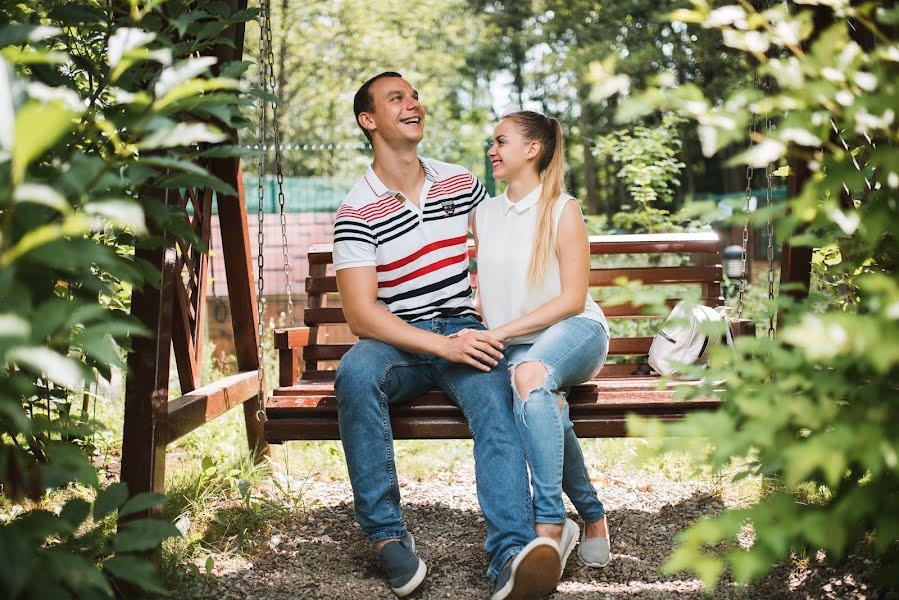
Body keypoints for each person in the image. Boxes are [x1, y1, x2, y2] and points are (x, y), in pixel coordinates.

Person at [333, 72, 561, 599]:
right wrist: (442, 345)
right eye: (397, 99)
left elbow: (514, 233)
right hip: (398, 342)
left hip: (465, 326)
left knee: (497, 402)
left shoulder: (460, 183)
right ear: (369, 121)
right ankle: (386, 535)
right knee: (356, 370)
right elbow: (363, 317)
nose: (413, 103)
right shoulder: (355, 209)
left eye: (414, 94)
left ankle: (511, 553)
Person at [471, 110, 613, 576]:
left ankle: (550, 524)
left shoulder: (561, 209)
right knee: (542, 403)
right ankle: (591, 516)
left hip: (576, 332)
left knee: (530, 376)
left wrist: (502, 332)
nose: (492, 150)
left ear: (532, 149)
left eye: (501, 141)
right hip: (515, 347)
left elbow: (573, 299)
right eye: (491, 142)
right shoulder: (484, 214)